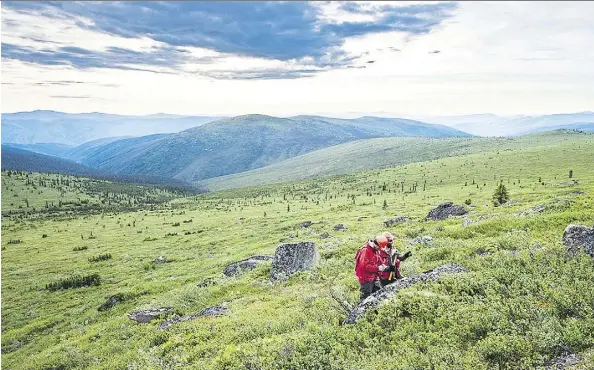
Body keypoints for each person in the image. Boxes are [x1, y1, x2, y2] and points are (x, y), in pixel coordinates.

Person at [355, 235, 389, 301]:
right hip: (365, 278)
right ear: (376, 244)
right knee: (365, 298)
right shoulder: (365, 251)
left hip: (374, 276)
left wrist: (383, 265)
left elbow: (377, 259)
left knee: (378, 293)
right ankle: (363, 311)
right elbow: (364, 267)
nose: (380, 249)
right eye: (379, 248)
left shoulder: (375, 249)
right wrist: (378, 268)